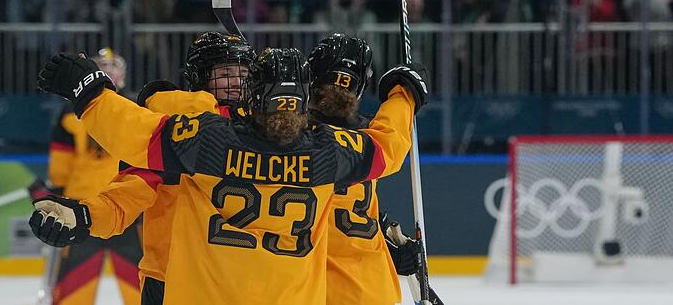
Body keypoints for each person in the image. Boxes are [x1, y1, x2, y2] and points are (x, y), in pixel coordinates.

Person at [30, 47, 429, 305]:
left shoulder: (208, 140)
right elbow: (387, 147)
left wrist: (93, 92)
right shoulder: (328, 149)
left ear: (254, 95)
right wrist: (403, 95)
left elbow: (134, 133)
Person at [72, 32, 255, 305]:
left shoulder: (264, 133)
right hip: (172, 279)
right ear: (200, 77)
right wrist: (84, 215)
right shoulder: (174, 134)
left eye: (244, 74)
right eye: (226, 73)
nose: (237, 83)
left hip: (239, 282)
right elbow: (129, 193)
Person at [308, 33, 438, 304]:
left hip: (317, 290)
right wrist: (404, 95)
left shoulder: (289, 142)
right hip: (370, 290)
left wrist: (385, 242)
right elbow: (387, 143)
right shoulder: (366, 137)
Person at [31, 48, 143, 305]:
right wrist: (57, 192)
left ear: (122, 76)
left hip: (128, 209)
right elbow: (62, 162)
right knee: (74, 287)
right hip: (82, 208)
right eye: (104, 66)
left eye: (113, 66)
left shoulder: (135, 110)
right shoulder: (73, 115)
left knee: (140, 283)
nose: (109, 71)